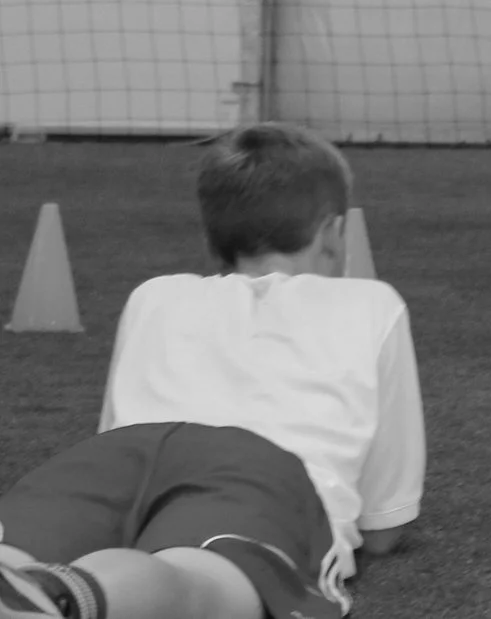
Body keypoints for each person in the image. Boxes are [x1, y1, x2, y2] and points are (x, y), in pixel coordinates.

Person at [0, 124, 423, 619]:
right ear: (333, 234)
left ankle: (23, 576)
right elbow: (382, 531)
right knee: (198, 576)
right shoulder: (372, 304)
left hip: (114, 455)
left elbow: (117, 431)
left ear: (210, 237)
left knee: (23, 542)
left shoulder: (154, 296)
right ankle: (68, 596)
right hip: (255, 469)